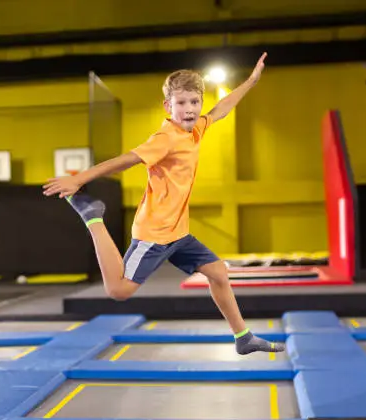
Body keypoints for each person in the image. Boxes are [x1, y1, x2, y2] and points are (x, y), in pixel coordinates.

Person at [43, 52, 284, 355]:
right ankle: (93, 218)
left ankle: (243, 337)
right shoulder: (165, 138)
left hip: (179, 233)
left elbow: (221, 109)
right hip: (154, 233)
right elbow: (126, 160)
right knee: (118, 291)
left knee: (219, 274)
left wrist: (251, 81)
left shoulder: (196, 129)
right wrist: (80, 179)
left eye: (194, 102)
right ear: (168, 106)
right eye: (181, 103)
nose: (189, 109)